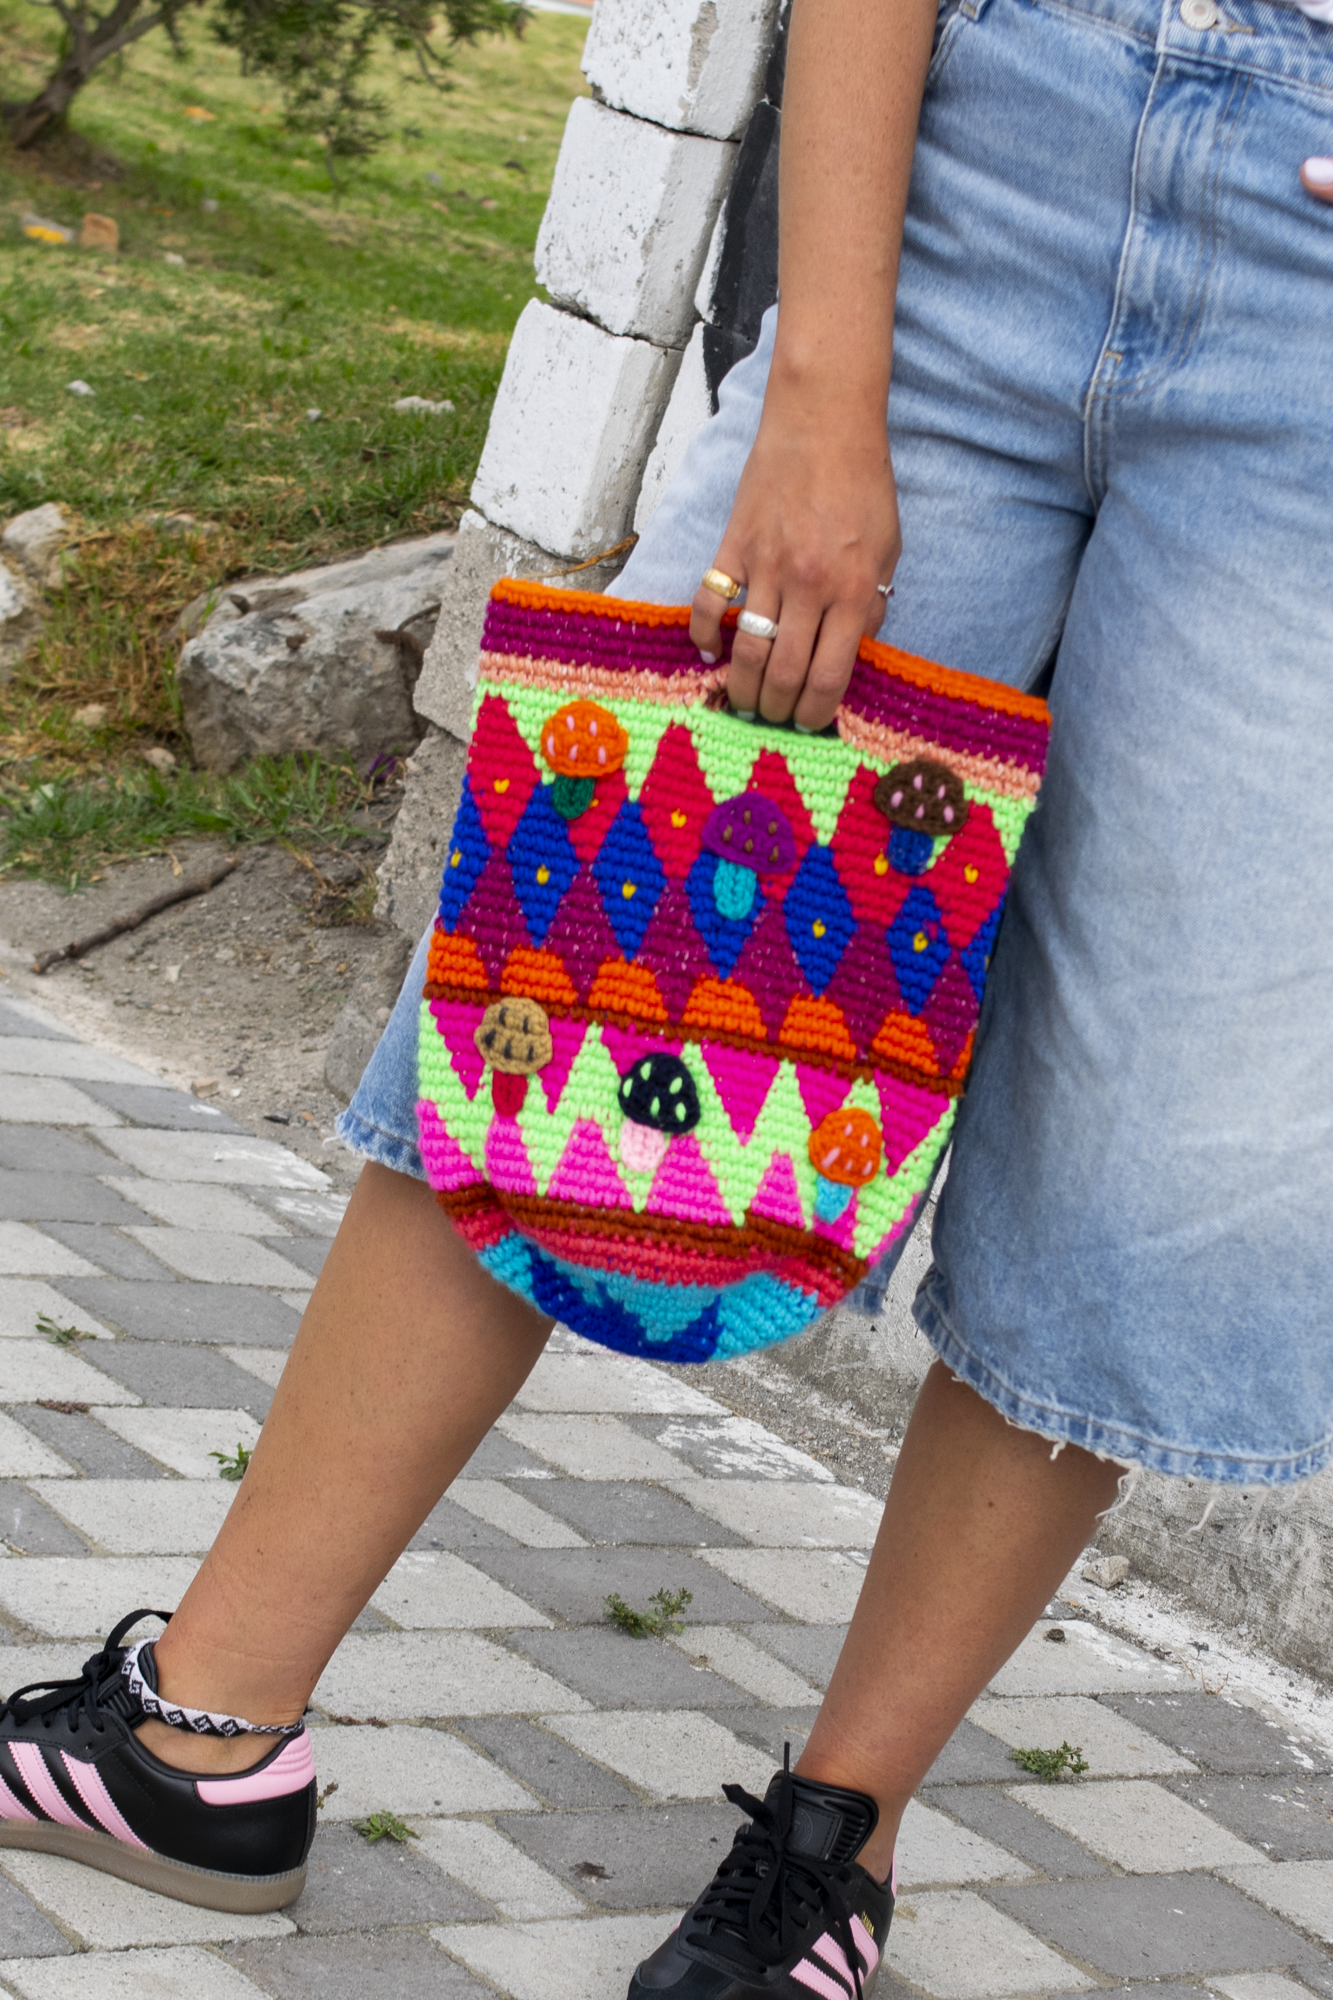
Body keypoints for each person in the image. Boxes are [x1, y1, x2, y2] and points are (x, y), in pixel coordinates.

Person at [3, 0, 1331, 1984]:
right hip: (993, 133)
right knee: (581, 963)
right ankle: (205, 1730)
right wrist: (821, 373)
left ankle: (833, 1846)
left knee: (1146, 1159)